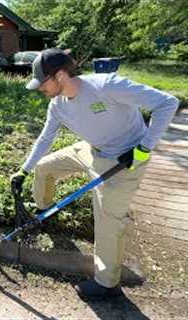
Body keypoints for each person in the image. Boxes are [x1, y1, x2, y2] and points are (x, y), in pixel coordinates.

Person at [11, 48, 179, 300]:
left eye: (42, 83)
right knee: (45, 167)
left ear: (60, 76)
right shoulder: (57, 105)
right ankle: (44, 211)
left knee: (108, 220)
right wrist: (24, 170)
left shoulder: (106, 85)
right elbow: (45, 138)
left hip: (125, 160)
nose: (39, 89)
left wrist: (144, 148)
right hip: (92, 149)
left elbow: (168, 103)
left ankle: (107, 283)